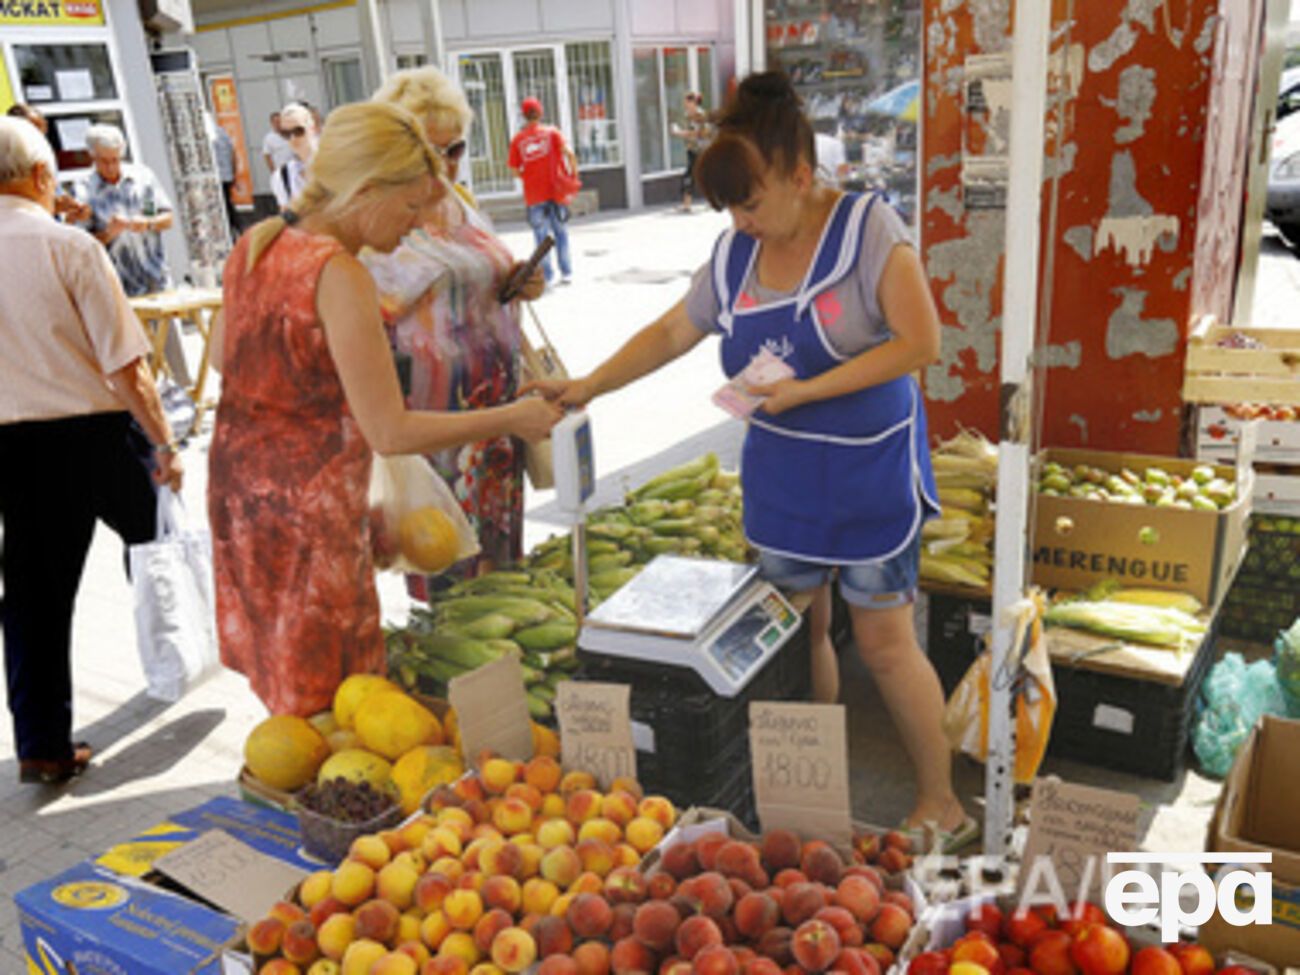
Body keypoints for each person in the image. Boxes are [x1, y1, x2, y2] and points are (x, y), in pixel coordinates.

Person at [524, 72, 973, 850]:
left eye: (753, 201)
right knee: (797, 636)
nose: (742, 220)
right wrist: (589, 382)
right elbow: (672, 330)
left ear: (802, 176)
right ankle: (813, 788)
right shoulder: (735, 256)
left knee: (885, 642)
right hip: (785, 481)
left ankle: (942, 799)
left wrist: (810, 390)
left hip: (869, 475)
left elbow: (919, 344)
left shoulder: (869, 229)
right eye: (731, 208)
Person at [208, 101, 561, 717]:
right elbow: (390, 431)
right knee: (340, 705)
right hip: (310, 518)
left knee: (288, 701)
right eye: (409, 207)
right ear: (366, 190)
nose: (416, 225)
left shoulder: (255, 247)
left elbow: (221, 359)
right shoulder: (338, 273)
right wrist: (510, 417)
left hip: (244, 501)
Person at [0, 117, 183, 784]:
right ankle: (177, 660)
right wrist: (166, 443)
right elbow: (129, 369)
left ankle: (42, 744)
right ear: (45, 177)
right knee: (158, 542)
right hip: (94, 432)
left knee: (32, 595)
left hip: (12, 443)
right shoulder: (70, 247)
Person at [368, 67, 546, 593]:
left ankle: (496, 665)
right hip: (435, 416)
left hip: (496, 407)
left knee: (497, 555)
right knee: (443, 553)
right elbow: (374, 304)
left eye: (456, 147)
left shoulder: (462, 202)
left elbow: (485, 271)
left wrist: (521, 280)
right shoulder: (385, 213)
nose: (446, 163)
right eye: (431, 150)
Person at [78, 123, 190, 385]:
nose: (111, 167)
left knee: (171, 341)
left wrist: (147, 223)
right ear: (93, 158)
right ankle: (152, 400)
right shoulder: (84, 189)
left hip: (154, 273)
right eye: (104, 161)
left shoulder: (142, 177)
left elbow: (167, 217)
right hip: (118, 282)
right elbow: (82, 242)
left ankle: (185, 392)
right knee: (135, 349)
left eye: (116, 159)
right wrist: (109, 233)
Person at [508, 97, 576, 285]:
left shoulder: (518, 140)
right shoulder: (552, 133)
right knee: (561, 232)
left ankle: (548, 276)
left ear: (523, 115)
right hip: (556, 192)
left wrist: (527, 177)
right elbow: (569, 154)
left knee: (541, 237)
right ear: (541, 113)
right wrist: (572, 175)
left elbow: (514, 170)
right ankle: (567, 273)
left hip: (534, 196)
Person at [270, 102, 317, 211]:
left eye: (298, 131)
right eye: (286, 134)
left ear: (312, 128)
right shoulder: (282, 176)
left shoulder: (334, 162)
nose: (293, 138)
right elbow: (286, 217)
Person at [670, 91, 710, 212]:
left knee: (690, 176)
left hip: (700, 150)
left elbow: (699, 133)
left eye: (687, 101)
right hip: (692, 149)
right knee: (699, 176)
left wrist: (679, 132)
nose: (685, 104)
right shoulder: (688, 115)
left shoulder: (700, 115)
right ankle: (712, 201)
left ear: (693, 102)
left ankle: (687, 205)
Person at [209, 112, 240, 238]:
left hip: (216, 177)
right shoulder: (222, 132)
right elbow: (233, 153)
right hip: (226, 175)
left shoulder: (208, 135)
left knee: (219, 204)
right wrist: (233, 172)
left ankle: (226, 230)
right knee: (227, 202)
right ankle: (235, 228)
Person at [261, 111, 294, 175]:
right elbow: (267, 156)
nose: (278, 124)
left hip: (295, 169)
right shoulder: (269, 138)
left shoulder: (292, 134)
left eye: (280, 121)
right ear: (272, 123)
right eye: (276, 122)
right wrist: (273, 171)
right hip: (281, 170)